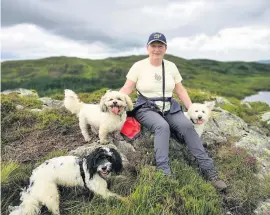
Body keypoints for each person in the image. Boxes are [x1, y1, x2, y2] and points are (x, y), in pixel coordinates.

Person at [119, 32, 227, 190]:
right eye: (153, 46)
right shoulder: (138, 66)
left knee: (187, 127)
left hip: (170, 106)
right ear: (147, 47)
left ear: (165, 48)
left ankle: (210, 172)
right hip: (146, 108)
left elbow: (180, 91)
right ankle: (164, 171)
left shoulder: (171, 66)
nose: (157, 49)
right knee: (162, 127)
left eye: (160, 46)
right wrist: (114, 101)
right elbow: (128, 87)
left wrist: (191, 110)